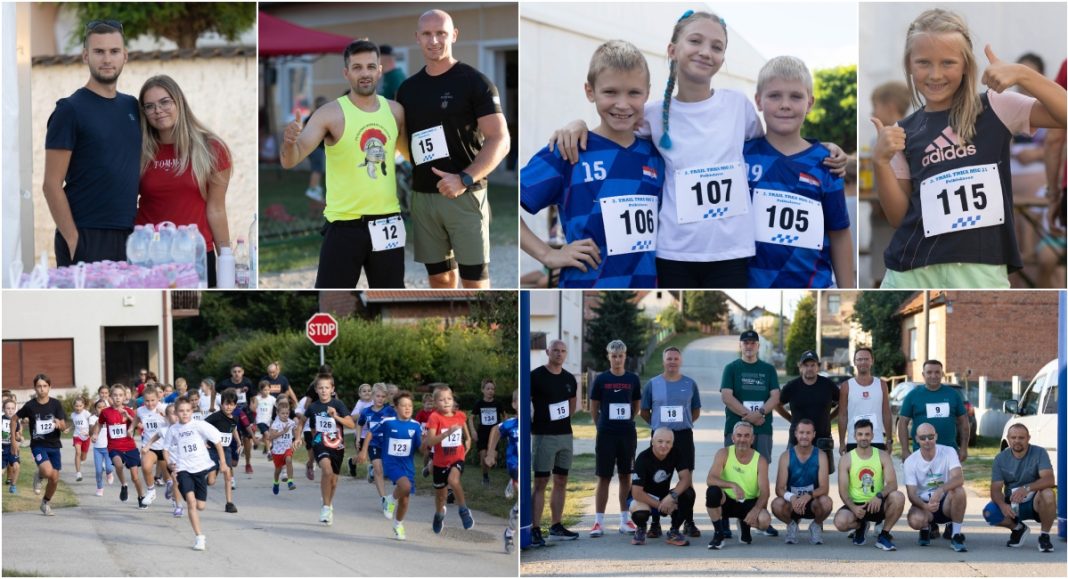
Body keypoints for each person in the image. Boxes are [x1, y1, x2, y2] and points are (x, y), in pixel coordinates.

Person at [549, 11, 848, 287]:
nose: (706, 51)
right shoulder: (651, 115)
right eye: (695, 41)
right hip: (672, 251)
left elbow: (772, 145)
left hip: (731, 252)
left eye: (717, 47)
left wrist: (822, 149)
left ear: (722, 57)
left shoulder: (738, 106)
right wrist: (577, 125)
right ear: (672, 50)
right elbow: (613, 128)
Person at [871, 8, 1067, 288]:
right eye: (923, 63)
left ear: (965, 64)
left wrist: (1023, 75)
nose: (935, 74)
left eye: (948, 63)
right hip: (912, 270)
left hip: (981, 270)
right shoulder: (903, 130)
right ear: (909, 65)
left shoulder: (996, 106)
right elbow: (899, 218)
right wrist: (880, 163)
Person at [520, 40, 663, 288]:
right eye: (610, 92)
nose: (622, 104)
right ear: (590, 91)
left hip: (644, 284)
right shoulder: (569, 149)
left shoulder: (658, 155)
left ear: (647, 94)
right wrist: (548, 254)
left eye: (634, 93)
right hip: (586, 285)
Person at [396, 9, 511, 289]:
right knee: (439, 277)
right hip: (424, 197)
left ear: (454, 35)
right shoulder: (407, 89)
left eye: (441, 33)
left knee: (474, 281)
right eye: (427, 34)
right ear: (417, 38)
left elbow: (500, 139)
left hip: (465, 195)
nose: (434, 40)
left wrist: (464, 178)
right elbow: (403, 140)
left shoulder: (476, 82)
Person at [281, 40, 408, 289]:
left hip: (388, 222)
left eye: (371, 67)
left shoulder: (396, 111)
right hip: (344, 225)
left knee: (389, 294)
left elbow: (409, 154)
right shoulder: (329, 113)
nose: (365, 73)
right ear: (346, 72)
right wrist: (289, 142)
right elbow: (290, 159)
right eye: (357, 67)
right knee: (330, 298)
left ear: (380, 70)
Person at [745, 56, 854, 288]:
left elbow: (839, 232)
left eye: (796, 96)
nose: (785, 104)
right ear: (759, 101)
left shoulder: (826, 163)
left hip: (812, 285)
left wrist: (848, 290)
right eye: (775, 95)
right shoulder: (740, 156)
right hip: (753, 283)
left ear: (810, 103)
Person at [43, 20, 140, 265]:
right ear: (86, 56)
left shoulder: (132, 107)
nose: (107, 59)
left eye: (114, 51)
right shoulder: (70, 110)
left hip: (131, 235)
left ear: (125, 56)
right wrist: (74, 239)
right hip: (86, 234)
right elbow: (51, 184)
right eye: (99, 51)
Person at [136, 74, 232, 287]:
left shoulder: (211, 148)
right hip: (149, 256)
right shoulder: (139, 151)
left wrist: (226, 260)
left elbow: (216, 209)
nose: (158, 110)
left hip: (195, 256)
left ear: (179, 101)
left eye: (164, 102)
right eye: (149, 106)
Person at [720, 330, 779, 545]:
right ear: (740, 345)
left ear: (758, 346)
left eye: (753, 343)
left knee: (759, 472)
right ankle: (725, 518)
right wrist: (748, 416)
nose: (749, 346)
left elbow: (775, 396)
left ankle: (758, 514)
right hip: (735, 429)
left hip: (762, 430)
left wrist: (760, 413)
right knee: (729, 469)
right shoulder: (732, 368)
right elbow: (727, 396)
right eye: (745, 342)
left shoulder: (768, 369)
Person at [641, 345, 702, 538]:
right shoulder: (653, 383)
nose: (672, 362)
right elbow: (644, 411)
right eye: (669, 359)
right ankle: (655, 523)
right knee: (656, 479)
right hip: (660, 437)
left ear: (680, 361)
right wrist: (659, 427)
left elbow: (695, 411)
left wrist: (681, 425)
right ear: (663, 361)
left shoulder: (690, 384)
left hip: (683, 435)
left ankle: (688, 522)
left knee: (687, 480)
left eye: (676, 358)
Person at [589, 340, 642, 537]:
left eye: (620, 356)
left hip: (626, 433)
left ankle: (624, 519)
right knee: (603, 476)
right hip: (606, 434)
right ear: (608, 357)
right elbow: (594, 407)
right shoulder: (601, 379)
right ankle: (598, 522)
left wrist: (626, 420)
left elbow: (636, 405)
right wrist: (600, 426)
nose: (617, 359)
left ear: (625, 356)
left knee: (625, 475)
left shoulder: (632, 379)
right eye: (614, 356)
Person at [163, 396, 228, 551]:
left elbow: (217, 441)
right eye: (181, 411)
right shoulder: (173, 430)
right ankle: (199, 537)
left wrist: (223, 462)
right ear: (176, 413)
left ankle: (176, 490)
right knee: (191, 502)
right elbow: (165, 449)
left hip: (200, 469)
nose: (184, 414)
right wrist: (170, 464)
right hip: (183, 469)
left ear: (192, 411)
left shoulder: (199, 425)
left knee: (201, 506)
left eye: (187, 411)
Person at [530, 339, 579, 545]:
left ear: (566, 354)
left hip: (565, 435)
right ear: (548, 351)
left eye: (563, 351)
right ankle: (534, 528)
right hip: (543, 435)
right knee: (541, 481)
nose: (559, 354)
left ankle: (556, 526)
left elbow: (572, 406)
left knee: (561, 480)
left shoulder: (569, 379)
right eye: (555, 350)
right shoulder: (536, 376)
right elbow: (526, 402)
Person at [982, 424, 1056, 552]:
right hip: (1013, 503)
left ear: (1028, 438)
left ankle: (1044, 536)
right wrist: (1002, 505)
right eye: (1013, 437)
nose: (1017, 441)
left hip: (1035, 501)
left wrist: (1027, 488)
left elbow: (1049, 479)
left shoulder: (1039, 452)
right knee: (989, 512)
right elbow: (995, 489)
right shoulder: (1000, 459)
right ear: (1008, 438)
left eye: (1021, 437)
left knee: (1048, 494)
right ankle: (1018, 528)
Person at [834, 419, 905, 550]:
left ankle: (884, 535)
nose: (864, 437)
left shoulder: (883, 456)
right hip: (857, 504)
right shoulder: (846, 459)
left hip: (877, 503)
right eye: (860, 434)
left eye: (867, 434)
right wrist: (853, 507)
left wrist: (879, 495)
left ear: (872, 435)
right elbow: (843, 491)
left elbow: (892, 484)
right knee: (840, 522)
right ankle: (860, 526)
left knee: (898, 497)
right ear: (854, 436)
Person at [705, 422, 771, 549]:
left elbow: (765, 492)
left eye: (747, 436)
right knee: (712, 492)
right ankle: (719, 534)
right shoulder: (723, 453)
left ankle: (744, 524)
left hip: (749, 502)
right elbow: (710, 479)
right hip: (727, 501)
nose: (742, 439)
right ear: (733, 438)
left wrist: (755, 510)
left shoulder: (761, 460)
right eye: (739, 435)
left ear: (752, 439)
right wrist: (732, 485)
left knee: (764, 521)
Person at [903, 423, 967, 551]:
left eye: (930, 437)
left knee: (959, 491)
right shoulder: (910, 461)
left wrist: (940, 490)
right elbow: (911, 494)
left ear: (936, 436)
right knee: (915, 520)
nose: (927, 441)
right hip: (924, 504)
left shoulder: (949, 451)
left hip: (945, 503)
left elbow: (959, 478)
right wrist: (925, 506)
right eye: (923, 438)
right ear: (916, 439)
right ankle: (925, 529)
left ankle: (956, 535)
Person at [370, 391, 423, 540]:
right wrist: (362, 452)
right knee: (404, 486)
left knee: (405, 500)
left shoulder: (416, 426)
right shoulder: (388, 422)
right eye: (403, 405)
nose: (407, 408)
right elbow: (370, 434)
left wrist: (428, 452)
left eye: (410, 406)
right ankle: (390, 500)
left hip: (407, 465)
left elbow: (421, 447)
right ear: (396, 407)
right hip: (391, 463)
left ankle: (398, 524)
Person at [629, 428, 695, 547]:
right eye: (660, 441)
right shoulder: (643, 458)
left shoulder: (676, 453)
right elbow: (636, 493)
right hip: (644, 498)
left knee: (689, 493)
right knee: (640, 513)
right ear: (652, 441)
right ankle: (641, 527)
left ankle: (674, 531)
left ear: (672, 443)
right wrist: (661, 505)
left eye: (668, 442)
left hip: (664, 496)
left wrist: (672, 496)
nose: (664, 445)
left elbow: (686, 479)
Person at [302, 374, 354, 526]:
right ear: (316, 390)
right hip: (320, 442)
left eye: (326, 387)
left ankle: (329, 504)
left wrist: (336, 416)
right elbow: (306, 425)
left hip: (337, 445)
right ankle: (325, 507)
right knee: (327, 471)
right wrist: (303, 438)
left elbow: (350, 424)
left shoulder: (338, 404)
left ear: (332, 389)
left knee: (334, 481)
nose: (323, 390)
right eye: (320, 388)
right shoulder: (313, 407)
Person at [771, 419, 832, 545]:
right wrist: (792, 497)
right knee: (776, 504)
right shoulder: (786, 456)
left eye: (808, 433)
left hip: (812, 502)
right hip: (792, 503)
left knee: (826, 502)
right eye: (801, 432)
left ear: (814, 434)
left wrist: (808, 495)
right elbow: (779, 488)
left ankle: (816, 525)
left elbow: (824, 488)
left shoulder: (821, 455)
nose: (804, 436)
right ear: (796, 434)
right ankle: (791, 525)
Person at [776, 350, 839, 470]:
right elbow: (777, 404)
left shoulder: (828, 385)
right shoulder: (791, 386)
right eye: (806, 365)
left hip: (822, 439)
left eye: (812, 365)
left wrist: (830, 417)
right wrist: (791, 418)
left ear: (818, 367)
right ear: (800, 367)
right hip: (797, 439)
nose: (809, 368)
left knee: (821, 480)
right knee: (794, 475)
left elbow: (843, 403)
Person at [424, 385, 474, 532]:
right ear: (435, 403)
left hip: (457, 457)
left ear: (453, 400)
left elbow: (463, 425)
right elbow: (430, 441)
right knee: (441, 497)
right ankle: (439, 514)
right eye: (441, 400)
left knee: (453, 480)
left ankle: (463, 510)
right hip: (440, 462)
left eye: (449, 399)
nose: (446, 402)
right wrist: (447, 433)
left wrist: (468, 439)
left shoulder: (459, 415)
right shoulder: (434, 418)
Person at [897, 359, 969, 463]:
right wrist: (904, 450)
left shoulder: (952, 394)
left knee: (952, 480)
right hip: (921, 453)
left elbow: (964, 421)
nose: (933, 376)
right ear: (923, 374)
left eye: (937, 372)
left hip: (949, 452)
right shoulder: (913, 395)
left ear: (942, 374)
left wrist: (963, 448)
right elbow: (902, 422)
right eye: (929, 372)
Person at [93, 384, 146, 509]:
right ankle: (124, 485)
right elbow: (99, 424)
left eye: (120, 395)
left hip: (129, 446)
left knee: (135, 476)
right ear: (110, 397)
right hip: (114, 446)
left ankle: (141, 497)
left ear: (124, 397)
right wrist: (95, 434)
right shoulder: (105, 412)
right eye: (115, 395)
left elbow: (140, 425)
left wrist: (127, 416)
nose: (117, 398)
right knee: (117, 464)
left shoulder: (128, 410)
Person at [839, 347, 894, 454]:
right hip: (854, 440)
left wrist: (889, 440)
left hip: (876, 439)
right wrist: (841, 442)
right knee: (855, 471)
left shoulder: (882, 385)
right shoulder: (846, 386)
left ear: (872, 361)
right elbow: (842, 416)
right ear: (854, 362)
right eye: (859, 359)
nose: (863, 362)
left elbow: (886, 414)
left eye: (866, 359)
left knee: (877, 471)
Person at [486, 389, 520, 553]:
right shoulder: (511, 424)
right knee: (522, 494)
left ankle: (509, 534)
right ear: (514, 404)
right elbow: (495, 430)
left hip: (530, 469)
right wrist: (491, 452)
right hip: (515, 465)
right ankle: (513, 481)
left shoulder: (534, 421)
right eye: (520, 400)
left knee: (521, 507)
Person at [355, 383, 398, 498]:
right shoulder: (366, 411)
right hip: (373, 443)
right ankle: (384, 498)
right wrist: (358, 438)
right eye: (378, 396)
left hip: (387, 443)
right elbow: (359, 424)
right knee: (378, 469)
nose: (380, 399)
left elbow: (397, 425)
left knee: (386, 469)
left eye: (383, 397)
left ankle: (372, 471)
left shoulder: (390, 411)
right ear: (373, 396)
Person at [203, 390, 239, 513]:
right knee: (211, 481)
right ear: (221, 404)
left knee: (228, 475)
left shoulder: (234, 418)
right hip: (213, 450)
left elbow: (234, 429)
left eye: (231, 404)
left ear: (235, 405)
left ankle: (229, 503)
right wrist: (203, 441)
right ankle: (210, 475)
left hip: (226, 450)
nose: (229, 407)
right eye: (226, 404)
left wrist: (239, 442)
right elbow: (202, 425)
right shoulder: (216, 416)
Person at [217, 364, 255, 474]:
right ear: (231, 372)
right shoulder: (225, 383)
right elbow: (215, 391)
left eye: (239, 371)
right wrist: (214, 405)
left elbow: (253, 397)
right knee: (231, 434)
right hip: (230, 411)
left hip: (245, 411)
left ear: (242, 372)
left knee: (248, 438)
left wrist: (253, 405)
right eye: (234, 371)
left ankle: (248, 463)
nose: (237, 373)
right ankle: (231, 458)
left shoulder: (247, 382)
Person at [469, 378, 505, 486]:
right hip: (482, 434)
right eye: (488, 388)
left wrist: (504, 429)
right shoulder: (479, 403)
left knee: (491, 459)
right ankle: (485, 477)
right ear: (482, 390)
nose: (490, 391)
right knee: (484, 458)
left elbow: (505, 416)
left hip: (494, 435)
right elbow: (470, 418)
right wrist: (473, 431)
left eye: (492, 389)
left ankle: (492, 461)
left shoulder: (498, 403)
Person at [136, 386, 168, 507]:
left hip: (165, 447)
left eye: (153, 400)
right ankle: (151, 491)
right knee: (145, 466)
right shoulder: (141, 410)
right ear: (143, 400)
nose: (150, 403)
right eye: (147, 401)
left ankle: (177, 503)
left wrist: (165, 416)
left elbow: (175, 420)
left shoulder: (164, 408)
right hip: (150, 446)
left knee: (169, 479)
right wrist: (130, 428)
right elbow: (136, 418)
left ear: (158, 398)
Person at [267, 397, 298, 494]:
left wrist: (297, 439)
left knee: (289, 459)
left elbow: (295, 432)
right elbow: (270, 437)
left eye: (287, 413)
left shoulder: (291, 423)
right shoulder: (276, 424)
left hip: (287, 448)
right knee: (278, 470)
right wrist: (283, 432)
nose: (285, 415)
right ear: (278, 413)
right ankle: (276, 482)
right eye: (282, 413)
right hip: (277, 451)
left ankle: (290, 482)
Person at [88, 398, 114, 497]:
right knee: (98, 470)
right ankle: (99, 487)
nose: (102, 409)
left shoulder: (110, 417)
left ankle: (109, 473)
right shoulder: (92, 418)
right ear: (95, 409)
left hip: (108, 447)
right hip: (97, 448)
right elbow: (90, 433)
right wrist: (97, 423)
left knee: (108, 467)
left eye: (104, 407)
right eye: (99, 407)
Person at [68, 396, 91, 482]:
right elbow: (74, 425)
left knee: (83, 456)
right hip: (77, 436)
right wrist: (68, 429)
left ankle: (82, 459)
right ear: (74, 406)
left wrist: (90, 433)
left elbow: (91, 424)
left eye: (80, 406)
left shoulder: (86, 413)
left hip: (86, 437)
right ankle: (78, 473)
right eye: (76, 406)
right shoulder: (73, 415)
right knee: (78, 452)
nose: (78, 408)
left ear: (83, 406)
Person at [3, 399, 22, 495]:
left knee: (17, 466)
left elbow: (17, 434)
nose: (10, 410)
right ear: (3, 409)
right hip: (2, 448)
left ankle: (13, 486)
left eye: (12, 408)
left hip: (11, 447)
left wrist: (19, 438)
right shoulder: (1, 420)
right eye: (8, 408)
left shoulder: (15, 421)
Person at [253, 380, 276, 455]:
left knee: (265, 436)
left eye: (268, 389)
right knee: (267, 434)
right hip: (260, 420)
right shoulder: (257, 398)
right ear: (261, 390)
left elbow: (278, 406)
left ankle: (257, 441)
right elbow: (253, 409)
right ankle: (269, 452)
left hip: (268, 421)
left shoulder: (272, 398)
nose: (267, 391)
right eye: (265, 390)